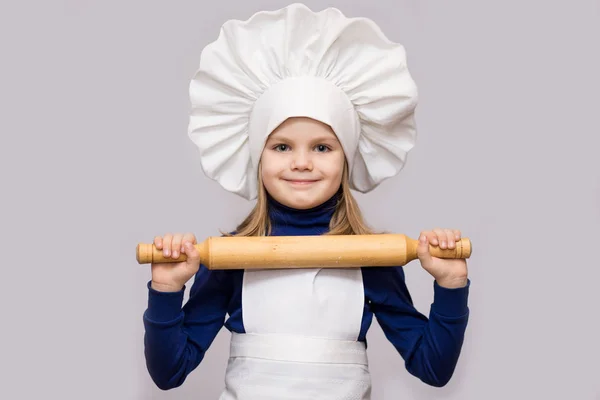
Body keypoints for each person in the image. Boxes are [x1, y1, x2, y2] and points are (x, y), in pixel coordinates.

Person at [142, 4, 470, 399]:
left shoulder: (371, 258)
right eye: (282, 146)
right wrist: (165, 289)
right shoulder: (230, 258)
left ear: (346, 157)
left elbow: (432, 368)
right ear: (258, 158)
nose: (301, 163)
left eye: (322, 147)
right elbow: (169, 372)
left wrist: (451, 284)